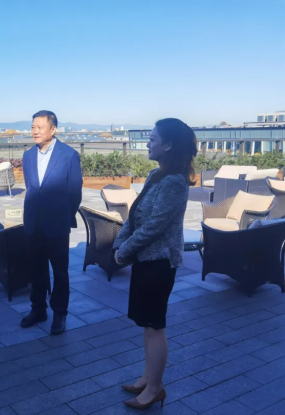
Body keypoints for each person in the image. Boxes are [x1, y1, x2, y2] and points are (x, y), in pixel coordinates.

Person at [113, 118, 197, 410]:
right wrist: (120, 243)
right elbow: (136, 215)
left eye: (152, 138)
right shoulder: (155, 175)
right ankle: (147, 378)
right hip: (145, 260)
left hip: (160, 262)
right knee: (147, 325)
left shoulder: (174, 182)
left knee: (154, 325)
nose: (148, 143)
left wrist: (124, 250)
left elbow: (154, 227)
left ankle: (155, 388)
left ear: (169, 144)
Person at [20, 111, 82, 335]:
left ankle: (59, 314)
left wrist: (63, 215)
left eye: (40, 127)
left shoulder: (69, 155)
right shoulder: (28, 155)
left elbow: (75, 193)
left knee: (60, 272)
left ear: (53, 129)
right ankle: (38, 309)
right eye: (32, 127)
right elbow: (32, 188)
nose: (35, 131)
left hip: (57, 224)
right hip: (33, 224)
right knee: (36, 270)